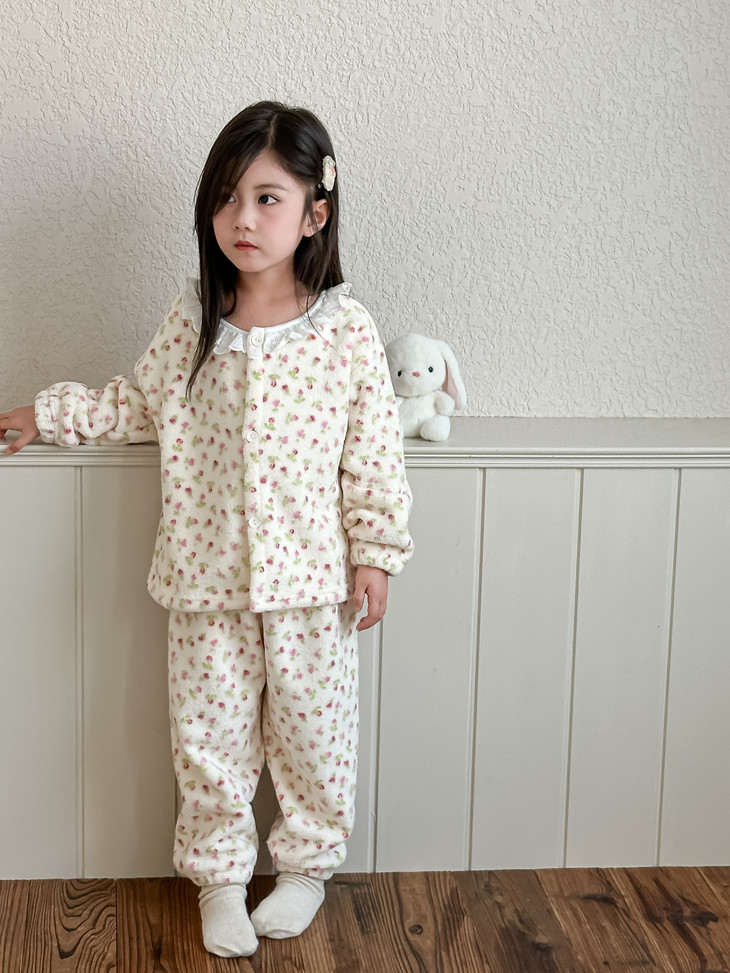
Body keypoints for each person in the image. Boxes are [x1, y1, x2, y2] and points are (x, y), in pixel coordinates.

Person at [0, 101, 413, 958]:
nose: (242, 219)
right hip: (205, 579)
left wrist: (375, 554)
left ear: (315, 213)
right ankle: (219, 879)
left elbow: (373, 453)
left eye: (267, 198)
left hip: (313, 585)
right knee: (209, 743)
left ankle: (305, 870)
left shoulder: (345, 330)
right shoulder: (196, 318)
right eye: (227, 198)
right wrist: (50, 413)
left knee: (314, 736)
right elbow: (137, 403)